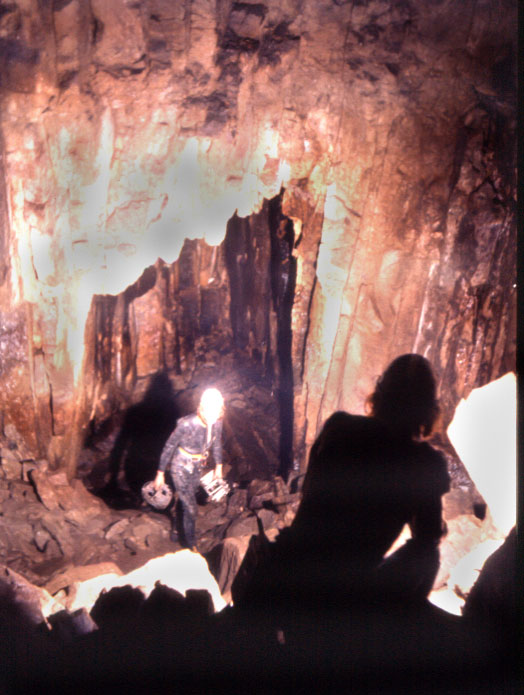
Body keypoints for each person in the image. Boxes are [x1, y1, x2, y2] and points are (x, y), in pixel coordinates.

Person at [153, 387, 225, 550]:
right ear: (202, 408)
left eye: (216, 411)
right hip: (180, 466)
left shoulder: (217, 421)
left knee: (186, 500)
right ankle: (191, 545)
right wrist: (160, 473)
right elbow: (169, 446)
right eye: (209, 411)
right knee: (191, 507)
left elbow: (217, 444)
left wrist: (219, 466)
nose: (212, 417)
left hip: (198, 465)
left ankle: (177, 529)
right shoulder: (186, 423)